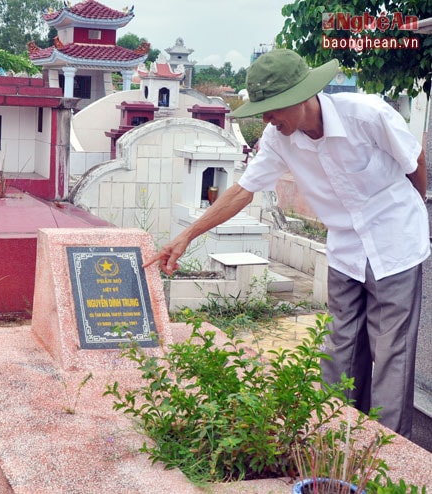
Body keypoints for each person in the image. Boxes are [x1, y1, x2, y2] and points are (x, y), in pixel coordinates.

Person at [144, 49, 429, 438]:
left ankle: (388, 455)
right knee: (340, 350)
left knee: (391, 355)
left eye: (272, 109)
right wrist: (186, 236)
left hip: (396, 243)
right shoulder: (279, 139)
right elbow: (242, 191)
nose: (266, 119)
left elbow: (415, 164)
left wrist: (414, 219)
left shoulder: (367, 115)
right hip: (345, 248)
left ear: (301, 96)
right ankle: (335, 438)